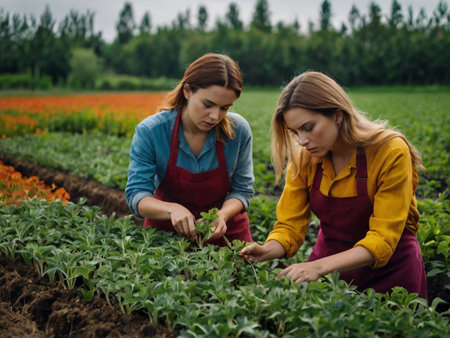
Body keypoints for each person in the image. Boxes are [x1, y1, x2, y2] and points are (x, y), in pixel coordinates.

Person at [240, 71, 427, 298]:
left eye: (308, 128)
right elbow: (289, 227)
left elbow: (383, 239)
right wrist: (267, 250)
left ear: (338, 115)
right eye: (295, 132)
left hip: (391, 272)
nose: (302, 141)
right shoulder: (305, 158)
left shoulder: (389, 152)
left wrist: (317, 267)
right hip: (330, 268)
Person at [125, 53, 255, 247]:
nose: (214, 116)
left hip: (224, 233)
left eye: (224, 108)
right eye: (207, 104)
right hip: (167, 235)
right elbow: (137, 194)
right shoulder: (151, 132)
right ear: (187, 91)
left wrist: (222, 215)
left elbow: (242, 190)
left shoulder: (238, 131)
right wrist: (171, 210)